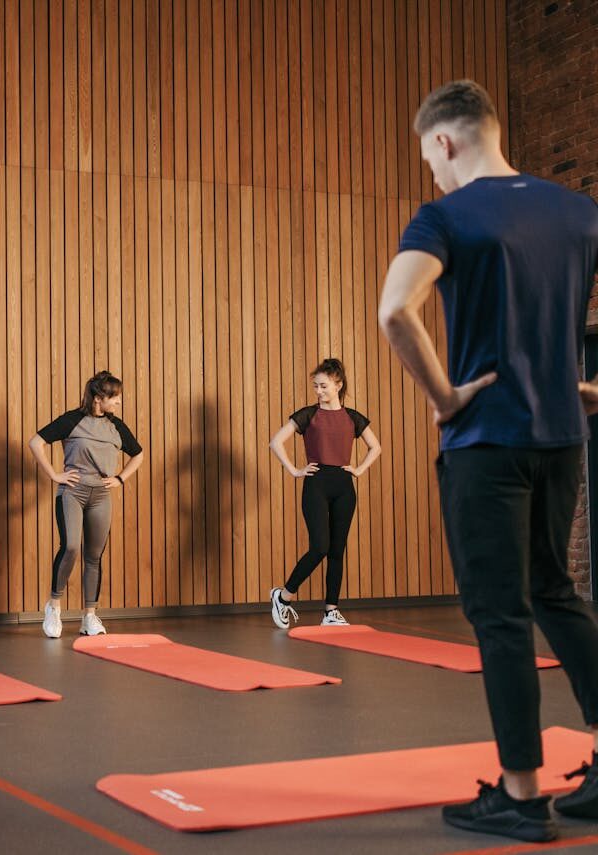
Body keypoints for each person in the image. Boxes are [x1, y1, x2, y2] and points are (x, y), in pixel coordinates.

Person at [379, 79, 598, 842]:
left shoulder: (445, 216)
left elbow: (395, 309)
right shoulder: (578, 211)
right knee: (556, 592)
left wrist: (444, 398)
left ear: (444, 141)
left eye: (429, 159)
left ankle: (520, 793)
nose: (433, 175)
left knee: (501, 613)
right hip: (563, 438)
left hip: (486, 443)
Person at [28, 371, 144, 638]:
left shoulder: (116, 427)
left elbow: (138, 454)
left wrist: (120, 478)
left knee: (93, 555)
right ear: (98, 398)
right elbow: (36, 442)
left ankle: (89, 616)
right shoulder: (72, 420)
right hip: (73, 493)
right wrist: (54, 475)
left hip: (101, 496)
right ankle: (53, 607)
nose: (118, 402)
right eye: (114, 397)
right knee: (70, 547)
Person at [267, 358, 381, 628]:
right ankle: (283, 596)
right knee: (320, 547)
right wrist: (295, 470)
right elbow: (276, 442)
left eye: (323, 386)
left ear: (338, 385)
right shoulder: (308, 415)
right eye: (315, 386)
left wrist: (359, 469)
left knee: (337, 550)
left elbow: (376, 447)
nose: (318, 391)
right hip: (316, 485)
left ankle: (331, 611)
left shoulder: (352, 417)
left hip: (344, 488)